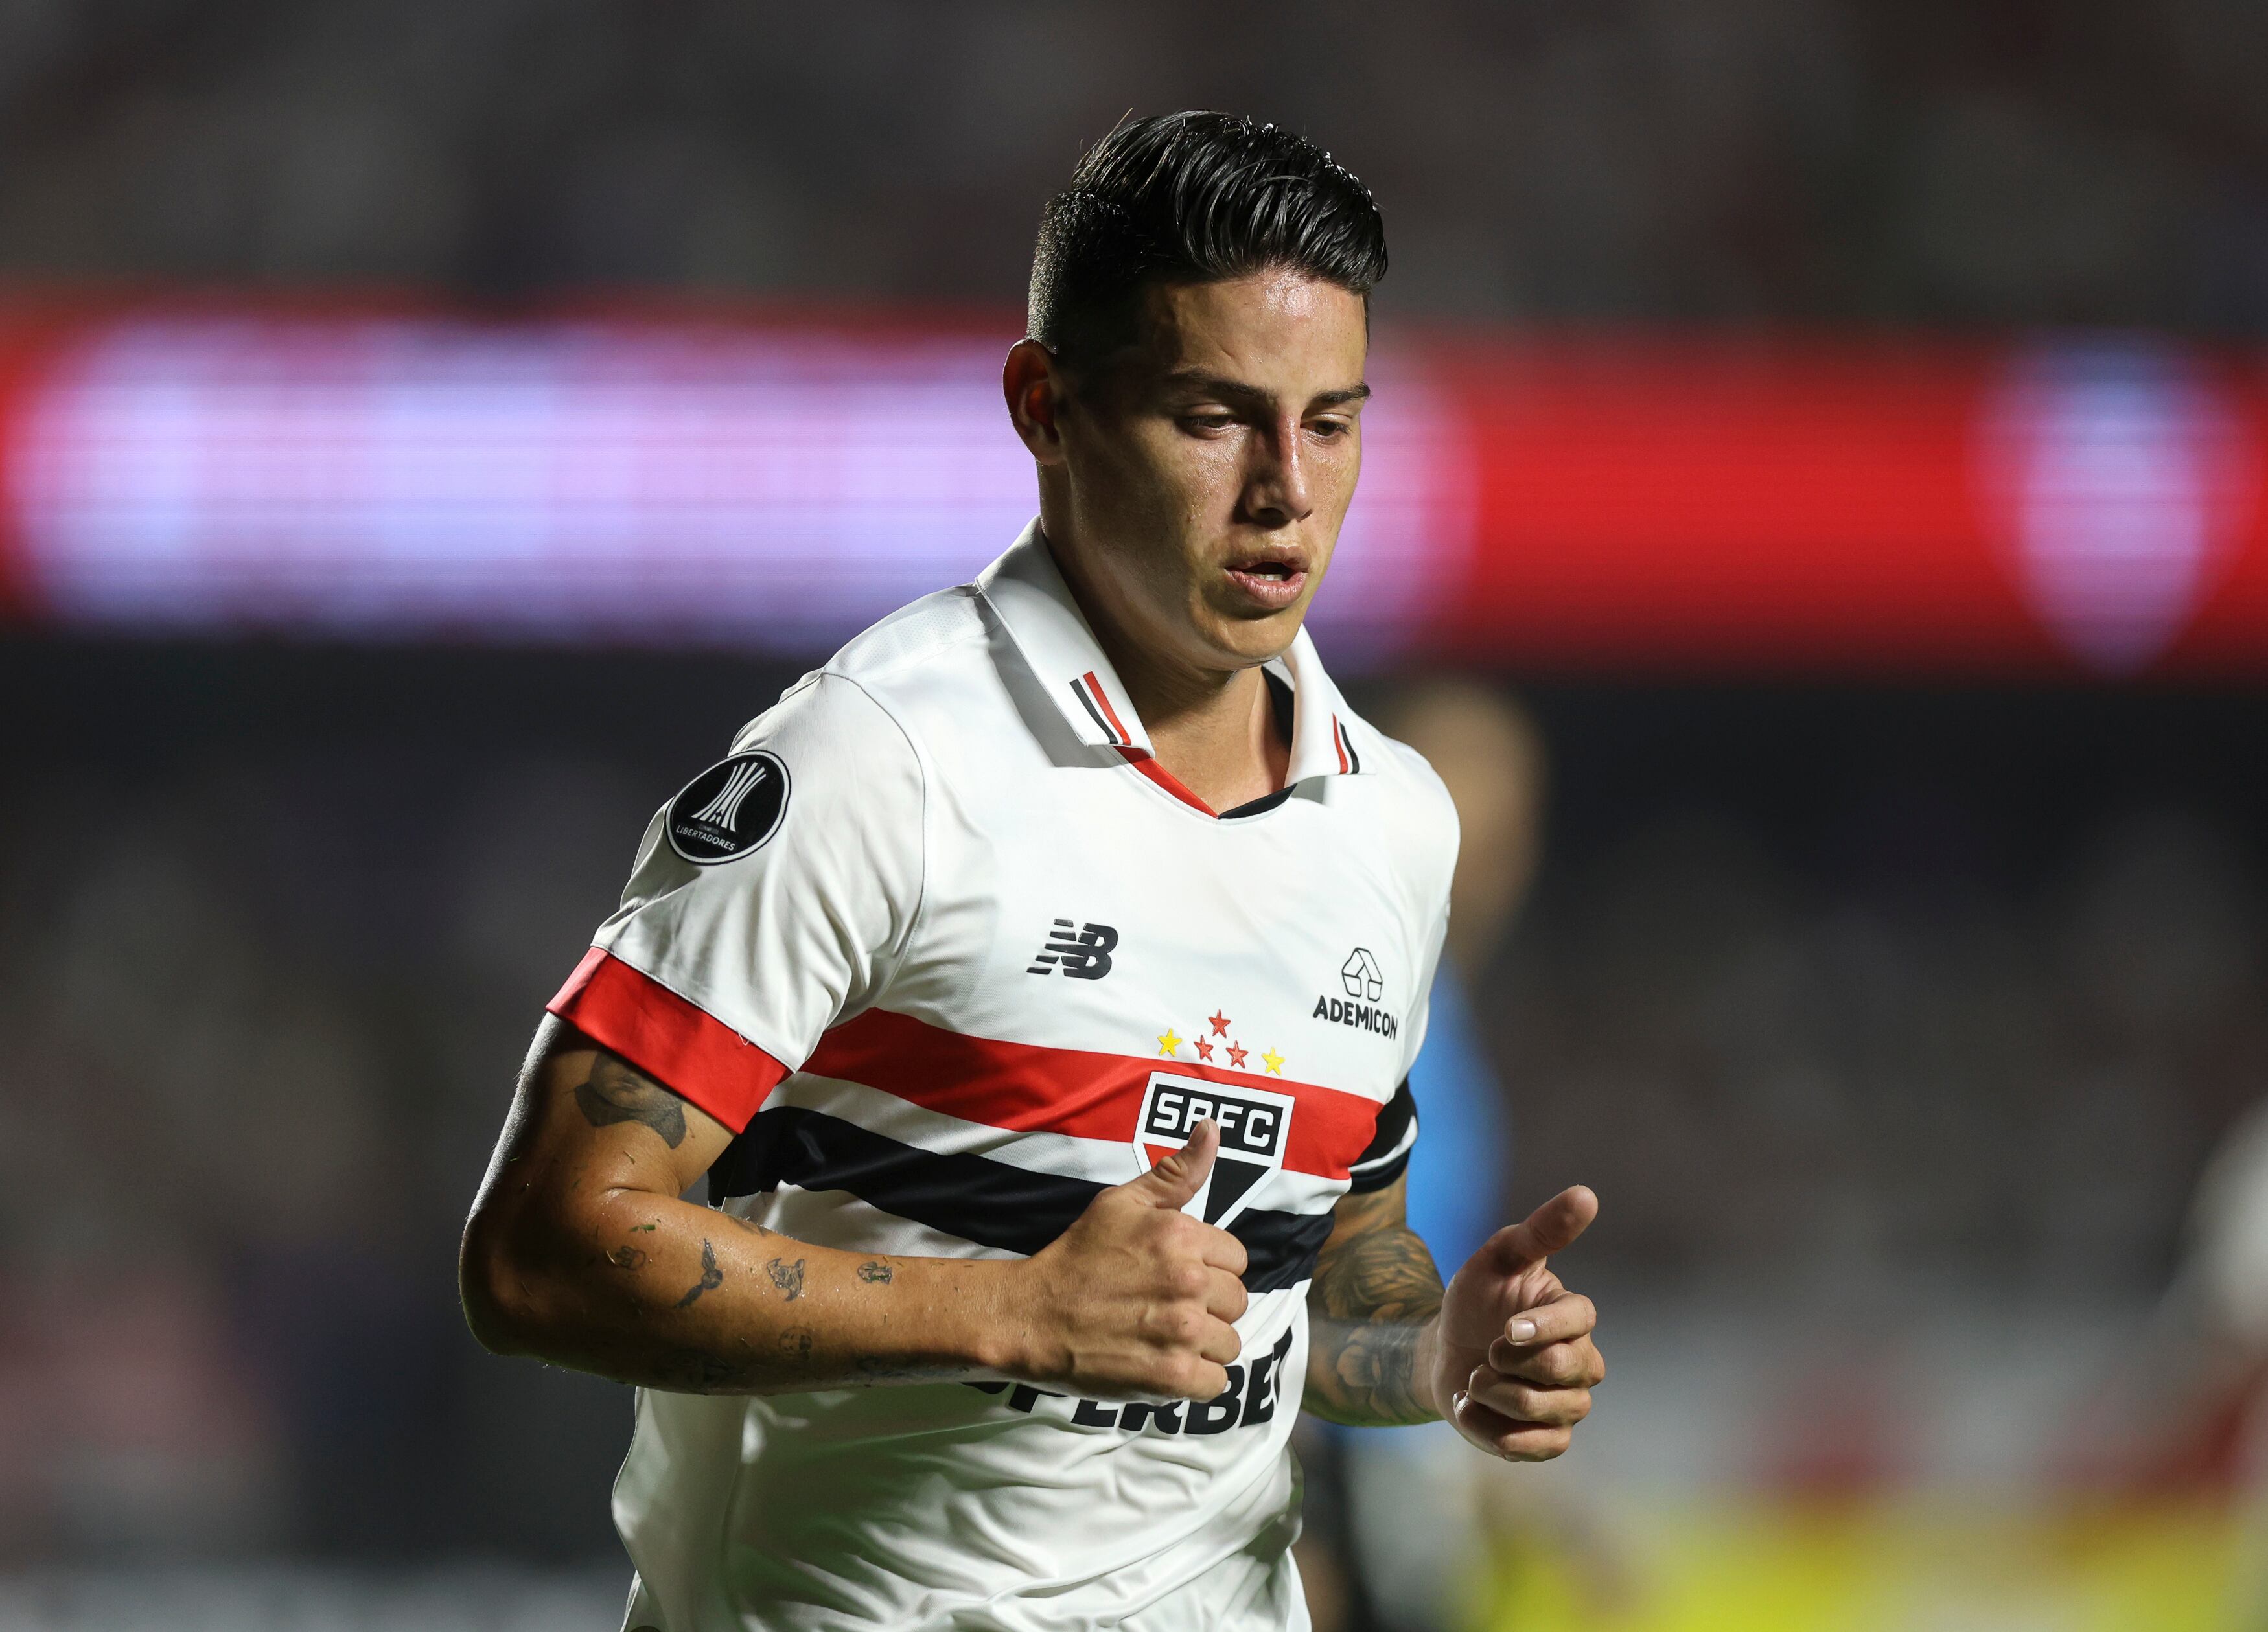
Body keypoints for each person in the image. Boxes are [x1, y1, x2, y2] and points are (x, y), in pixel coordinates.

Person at [459, 111, 1604, 1632]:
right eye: (1215, 415)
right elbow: (538, 1250)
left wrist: (1440, 1356)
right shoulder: (878, 763)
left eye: (1330, 421)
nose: (1285, 489)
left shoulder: (1389, 822)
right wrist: (1010, 1312)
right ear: (1044, 405)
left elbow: (1328, 1271)